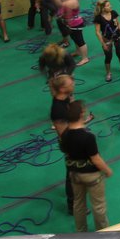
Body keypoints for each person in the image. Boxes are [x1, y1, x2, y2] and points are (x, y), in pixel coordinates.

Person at [60, 100, 113, 232]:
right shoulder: (87, 137)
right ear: (81, 114)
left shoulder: (65, 134)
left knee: (78, 204)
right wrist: (107, 170)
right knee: (98, 206)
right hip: (91, 175)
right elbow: (95, 158)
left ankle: (81, 232)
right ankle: (103, 233)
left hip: (74, 173)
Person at [49, 73, 79, 215]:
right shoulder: (57, 110)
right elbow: (64, 134)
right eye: (69, 83)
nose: (73, 83)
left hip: (73, 136)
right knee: (72, 173)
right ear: (62, 89)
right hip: (69, 142)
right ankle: (72, 204)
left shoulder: (65, 97)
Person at [55, 0, 89, 66]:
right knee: (74, 38)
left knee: (80, 41)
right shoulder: (71, 0)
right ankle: (78, 51)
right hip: (72, 23)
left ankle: (85, 58)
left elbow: (61, 13)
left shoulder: (70, 2)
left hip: (75, 24)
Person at [92, 0, 120, 82]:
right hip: (107, 39)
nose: (110, 6)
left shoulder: (113, 13)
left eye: (110, 5)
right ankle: (108, 73)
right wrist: (103, 44)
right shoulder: (98, 18)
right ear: (103, 8)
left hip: (117, 36)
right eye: (108, 5)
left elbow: (118, 24)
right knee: (108, 57)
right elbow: (97, 32)